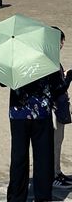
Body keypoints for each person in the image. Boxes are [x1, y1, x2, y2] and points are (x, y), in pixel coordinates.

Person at [6, 70, 71, 202]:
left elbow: (3, 82)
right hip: (41, 112)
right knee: (43, 158)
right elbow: (58, 88)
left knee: (19, 157)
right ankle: (43, 197)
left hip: (18, 112)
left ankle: (16, 197)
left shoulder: (14, 56)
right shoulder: (46, 58)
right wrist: (68, 77)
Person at [52, 27, 72, 187]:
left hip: (57, 108)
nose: (63, 44)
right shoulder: (49, 61)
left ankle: (57, 171)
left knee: (58, 141)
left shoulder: (51, 60)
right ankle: (54, 174)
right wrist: (68, 79)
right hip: (54, 109)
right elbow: (56, 89)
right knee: (55, 142)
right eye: (61, 40)